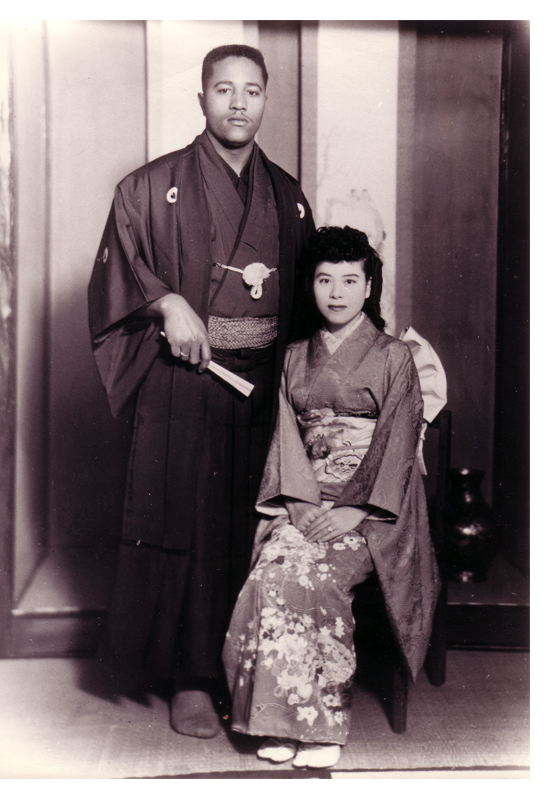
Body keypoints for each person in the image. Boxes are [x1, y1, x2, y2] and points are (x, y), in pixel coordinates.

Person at [87, 44, 315, 738]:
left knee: (251, 523)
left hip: (262, 381)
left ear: (265, 101)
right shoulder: (150, 186)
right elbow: (121, 269)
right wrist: (165, 303)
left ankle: (247, 669)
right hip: (183, 380)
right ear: (201, 99)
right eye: (223, 89)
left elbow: (311, 290)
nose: (238, 103)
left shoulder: (286, 193)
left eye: (252, 90)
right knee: (184, 521)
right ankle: (189, 676)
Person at [222, 226, 441, 769]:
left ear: (370, 287)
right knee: (273, 571)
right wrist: (297, 502)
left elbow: (397, 443)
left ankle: (322, 724)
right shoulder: (296, 357)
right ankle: (277, 721)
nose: (337, 292)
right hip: (304, 499)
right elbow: (286, 438)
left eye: (350, 280)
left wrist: (354, 508)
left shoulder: (394, 358)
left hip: (374, 512)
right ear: (310, 286)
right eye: (325, 280)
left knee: (316, 576)